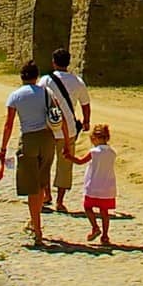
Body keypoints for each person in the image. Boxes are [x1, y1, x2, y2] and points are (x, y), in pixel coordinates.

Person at [0, 60, 56, 245]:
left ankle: (37, 230)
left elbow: (9, 125)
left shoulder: (15, 96)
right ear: (36, 76)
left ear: (21, 76)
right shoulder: (47, 92)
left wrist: (3, 148)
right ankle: (34, 221)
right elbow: (55, 114)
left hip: (29, 139)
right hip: (47, 139)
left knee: (31, 186)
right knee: (40, 184)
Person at [40, 47, 91, 214]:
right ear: (68, 62)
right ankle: (60, 201)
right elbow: (85, 104)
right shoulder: (77, 81)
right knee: (65, 166)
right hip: (68, 130)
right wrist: (86, 122)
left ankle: (47, 195)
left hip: (49, 128)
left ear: (53, 62)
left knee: (45, 163)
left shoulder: (46, 80)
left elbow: (39, 100)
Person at [62, 124, 117, 246]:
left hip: (93, 185)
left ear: (95, 138)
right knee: (104, 212)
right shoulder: (112, 152)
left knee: (88, 207)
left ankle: (95, 227)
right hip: (108, 186)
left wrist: (69, 157)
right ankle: (105, 235)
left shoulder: (94, 152)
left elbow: (80, 161)